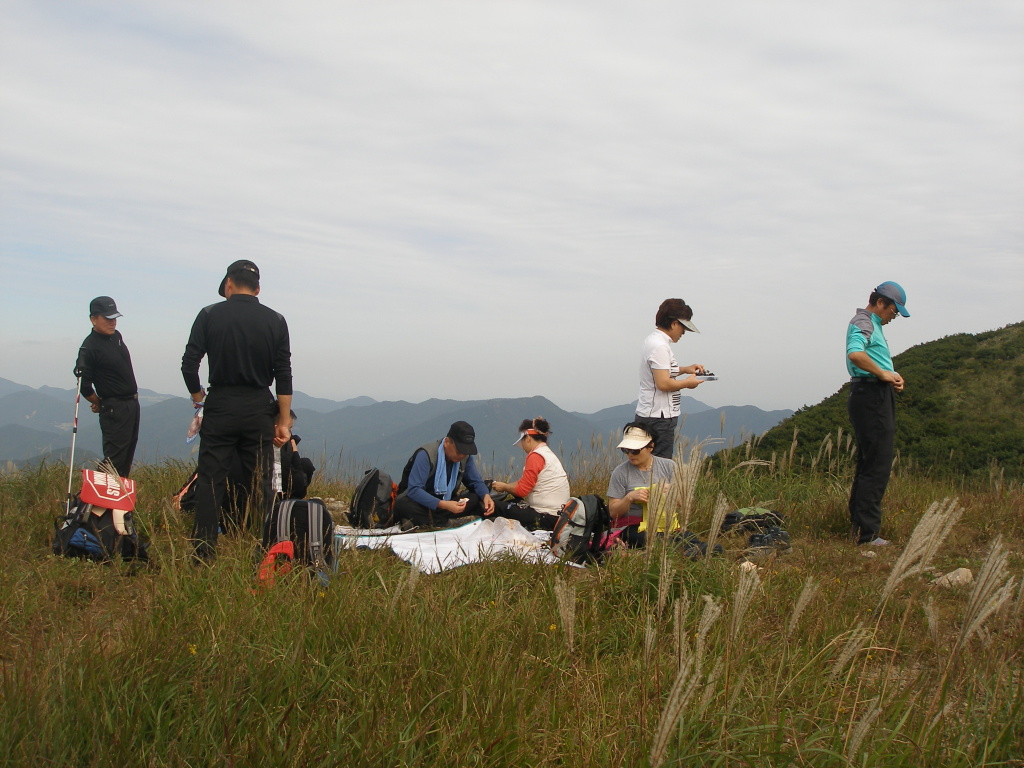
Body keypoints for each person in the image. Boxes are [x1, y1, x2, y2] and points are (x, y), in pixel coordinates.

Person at [181, 260, 293, 563]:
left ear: (229, 284)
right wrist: (282, 420)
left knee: (211, 479)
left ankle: (203, 552)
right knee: (262, 479)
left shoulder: (209, 315)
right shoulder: (276, 320)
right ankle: (266, 547)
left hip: (221, 404)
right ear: (258, 289)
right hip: (259, 406)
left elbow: (189, 364)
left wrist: (199, 398)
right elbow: (283, 373)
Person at [846, 281, 909, 547]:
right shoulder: (864, 321)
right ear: (880, 302)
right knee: (878, 465)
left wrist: (891, 375)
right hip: (871, 397)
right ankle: (868, 535)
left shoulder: (874, 324)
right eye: (893, 311)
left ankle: (860, 526)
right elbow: (855, 354)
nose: (893, 317)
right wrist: (882, 374)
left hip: (874, 393)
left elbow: (871, 357)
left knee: (869, 462)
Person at [74, 296, 140, 478]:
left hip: (131, 404)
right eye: (107, 319)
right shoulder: (90, 347)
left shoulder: (116, 337)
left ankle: (117, 502)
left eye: (115, 318)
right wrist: (98, 401)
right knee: (114, 459)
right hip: (114, 408)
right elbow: (84, 384)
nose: (113, 323)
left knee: (126, 455)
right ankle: (94, 502)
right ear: (93, 319)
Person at [635, 298, 706, 458]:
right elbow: (663, 383)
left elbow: (661, 371)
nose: (683, 332)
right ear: (674, 323)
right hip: (658, 417)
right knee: (658, 466)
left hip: (650, 414)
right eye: (683, 327)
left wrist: (685, 369)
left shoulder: (653, 340)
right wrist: (688, 383)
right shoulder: (660, 346)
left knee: (646, 463)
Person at [393, 421, 496, 529]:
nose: (462, 455)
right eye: (459, 451)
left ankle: (423, 521)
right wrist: (443, 504)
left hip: (447, 504)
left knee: (475, 497)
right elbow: (414, 490)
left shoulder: (465, 458)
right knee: (403, 505)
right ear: (447, 442)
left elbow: (475, 481)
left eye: (465, 452)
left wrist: (486, 496)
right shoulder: (426, 455)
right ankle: (445, 523)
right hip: (422, 503)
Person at [489, 417, 571, 531]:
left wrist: (504, 487)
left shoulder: (535, 456)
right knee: (513, 504)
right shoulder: (547, 454)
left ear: (527, 438)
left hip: (545, 516)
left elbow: (522, 490)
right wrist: (506, 486)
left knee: (495, 505)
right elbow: (525, 483)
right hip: (558, 516)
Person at [606, 424, 677, 548]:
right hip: (632, 526)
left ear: (651, 447)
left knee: (691, 542)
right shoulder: (620, 472)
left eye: (635, 450)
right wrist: (629, 498)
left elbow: (682, 503)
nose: (630, 454)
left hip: (665, 524)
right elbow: (613, 512)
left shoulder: (669, 466)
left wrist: (672, 492)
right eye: (626, 450)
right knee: (659, 542)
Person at [274, 408, 316, 500]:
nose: (288, 433)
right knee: (305, 466)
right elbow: (298, 479)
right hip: (280, 491)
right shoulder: (277, 450)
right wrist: (295, 451)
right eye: (288, 428)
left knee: (306, 464)